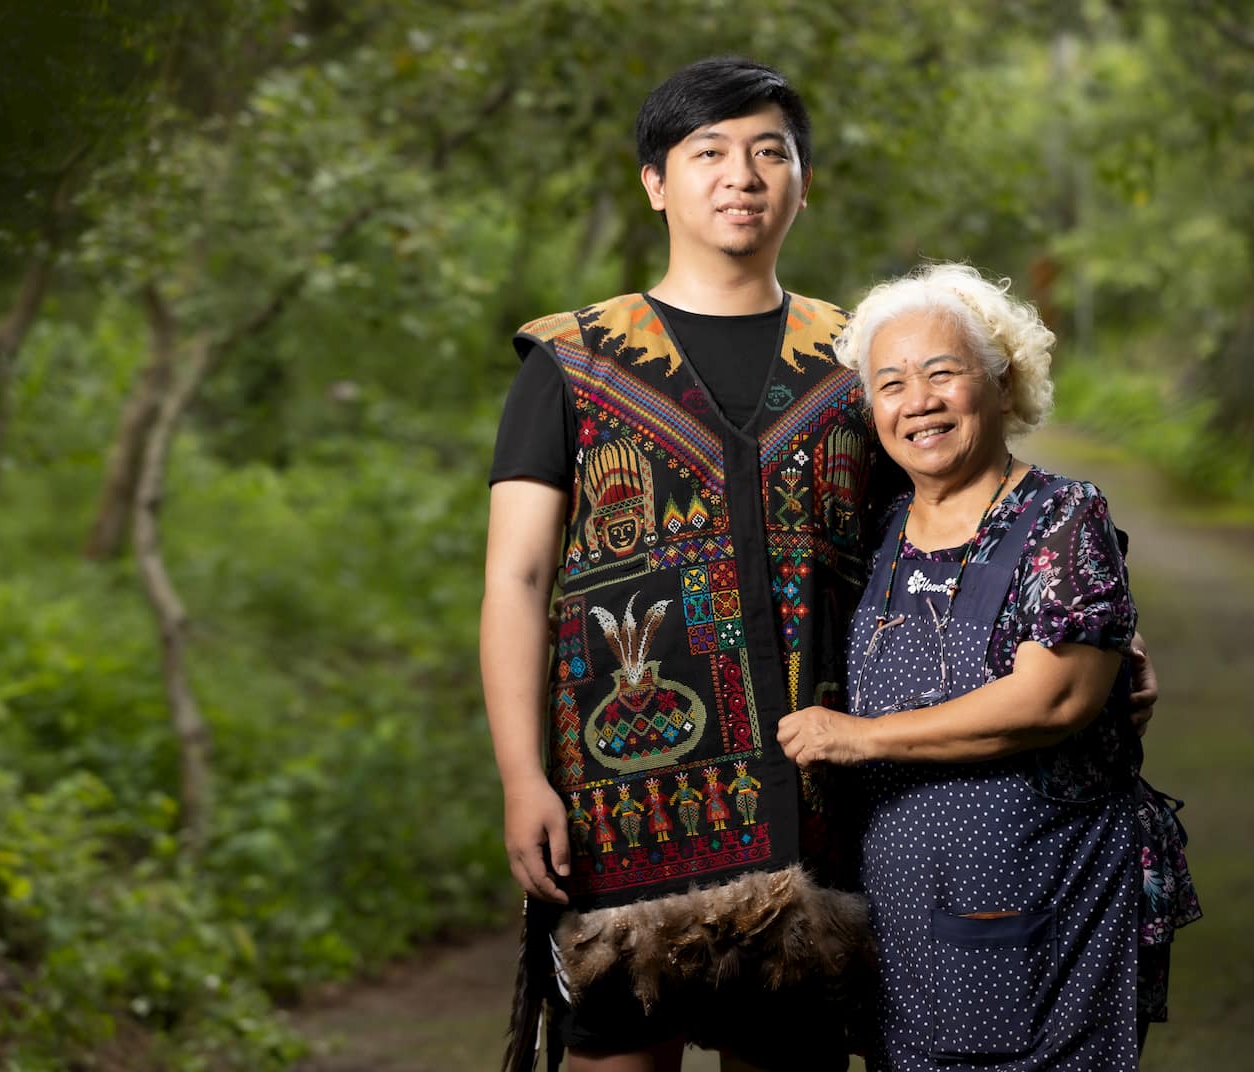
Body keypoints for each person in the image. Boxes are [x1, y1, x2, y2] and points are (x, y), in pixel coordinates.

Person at [481, 59, 1163, 1072]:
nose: (740, 175)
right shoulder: (572, 362)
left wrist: (1103, 620)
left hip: (816, 808)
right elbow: (517, 582)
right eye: (706, 151)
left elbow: (961, 511)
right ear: (655, 182)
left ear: (804, 181)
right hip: (626, 801)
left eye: (769, 151)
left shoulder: (858, 358)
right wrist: (520, 775)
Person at [778, 263, 1200, 1072]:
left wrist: (858, 738)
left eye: (945, 373)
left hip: (1046, 901)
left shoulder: (1063, 518)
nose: (920, 401)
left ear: (1002, 385)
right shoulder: (875, 530)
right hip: (902, 916)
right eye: (892, 383)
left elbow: (1052, 702)